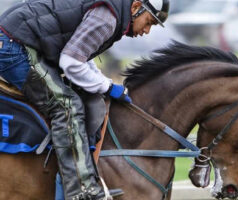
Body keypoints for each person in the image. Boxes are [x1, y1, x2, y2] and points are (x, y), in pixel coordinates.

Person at [0, 0, 169, 199]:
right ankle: (81, 190)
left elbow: (81, 55)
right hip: (14, 47)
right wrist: (107, 86)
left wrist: (105, 83)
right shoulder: (108, 19)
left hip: (19, 40)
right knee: (66, 106)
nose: (147, 30)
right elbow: (71, 62)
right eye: (148, 21)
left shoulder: (112, 13)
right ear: (136, 7)